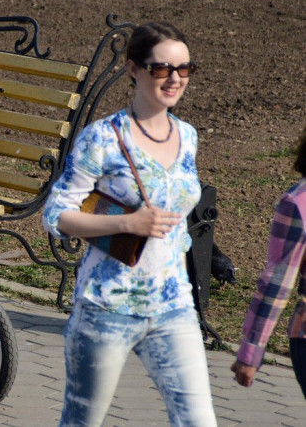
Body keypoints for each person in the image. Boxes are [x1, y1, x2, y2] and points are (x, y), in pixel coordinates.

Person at [42, 21, 217, 426]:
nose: (174, 79)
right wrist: (127, 224)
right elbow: (55, 216)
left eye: (184, 69)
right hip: (107, 306)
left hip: (173, 305)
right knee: (82, 421)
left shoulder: (188, 136)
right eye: (162, 68)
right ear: (133, 69)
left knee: (199, 420)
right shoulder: (102, 138)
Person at [231, 125, 306, 398]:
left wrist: (250, 352)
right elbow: (278, 283)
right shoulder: (299, 203)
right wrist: (251, 351)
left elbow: (277, 283)